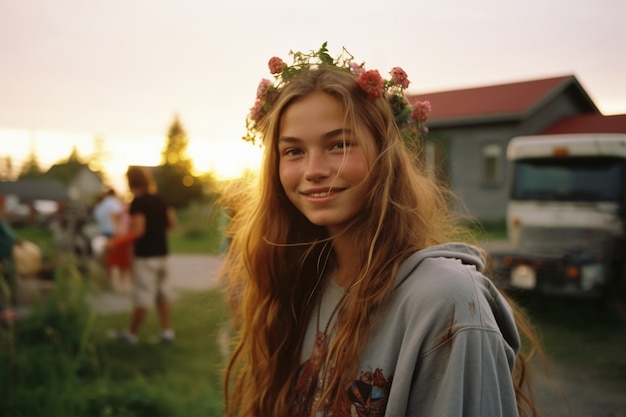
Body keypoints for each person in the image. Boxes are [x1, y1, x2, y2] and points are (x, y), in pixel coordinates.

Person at [222, 45, 541, 417]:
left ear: (384, 153)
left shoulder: (445, 301)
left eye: (339, 145)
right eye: (293, 151)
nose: (313, 169)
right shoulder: (301, 282)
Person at [108, 166, 177, 344]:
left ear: (131, 182)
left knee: (143, 297)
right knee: (162, 295)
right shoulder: (161, 199)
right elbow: (172, 224)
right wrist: (158, 233)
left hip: (145, 256)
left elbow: (138, 232)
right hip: (163, 253)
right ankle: (167, 331)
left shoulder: (138, 202)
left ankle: (131, 334)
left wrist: (115, 242)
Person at [93, 188, 132, 292]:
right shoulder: (114, 203)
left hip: (103, 233)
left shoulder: (100, 205)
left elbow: (96, 217)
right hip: (115, 234)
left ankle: (108, 282)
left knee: (108, 260)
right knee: (122, 261)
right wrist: (118, 228)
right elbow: (117, 215)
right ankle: (122, 284)